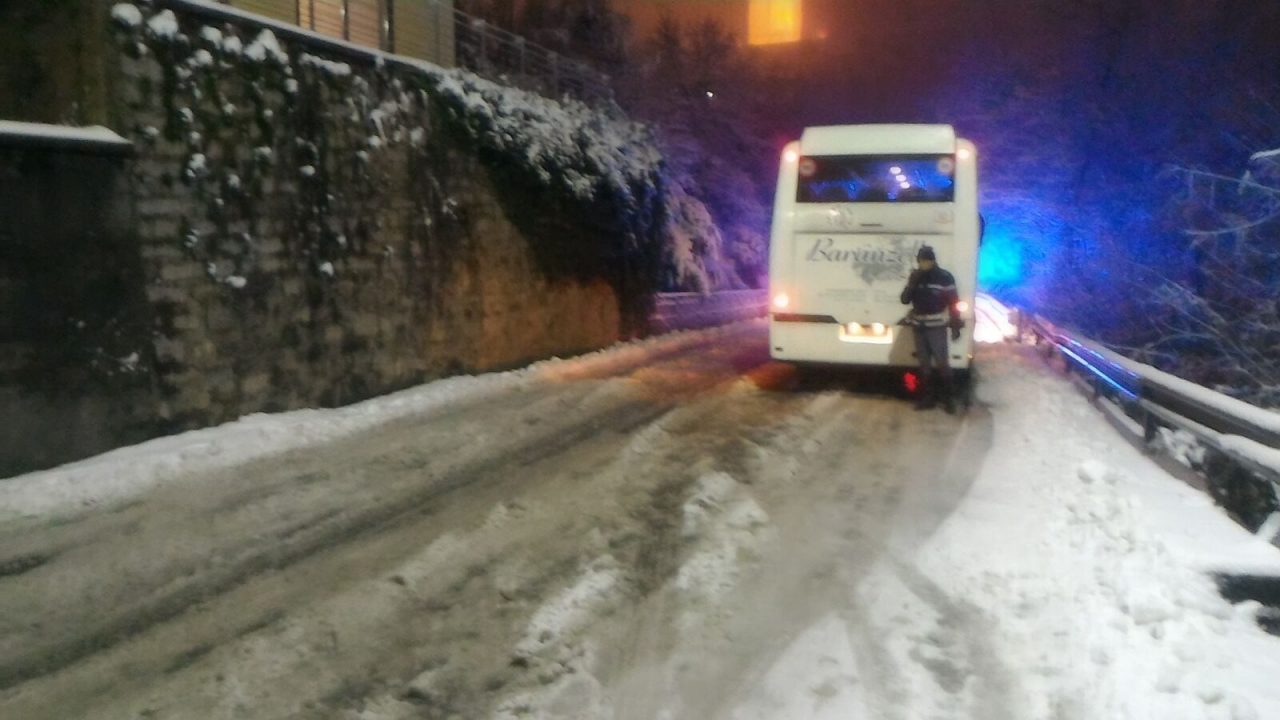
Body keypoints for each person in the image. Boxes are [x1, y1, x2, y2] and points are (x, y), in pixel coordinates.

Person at [900, 245, 964, 412]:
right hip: (919, 326)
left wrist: (955, 325)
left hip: (936, 327)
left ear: (933, 260)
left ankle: (949, 400)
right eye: (920, 261)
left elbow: (954, 303)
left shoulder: (944, 277)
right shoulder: (915, 277)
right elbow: (905, 300)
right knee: (924, 365)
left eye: (926, 260)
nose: (923, 264)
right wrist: (912, 283)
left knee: (942, 363)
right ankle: (928, 398)